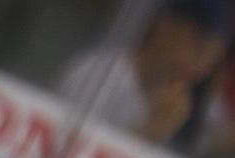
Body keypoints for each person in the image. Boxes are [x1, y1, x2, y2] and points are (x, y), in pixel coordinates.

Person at [56, 0, 230, 145]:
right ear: (166, 25)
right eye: (198, 48)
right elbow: (64, 148)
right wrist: (150, 130)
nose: (199, 66)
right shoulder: (99, 74)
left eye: (211, 60)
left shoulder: (185, 109)